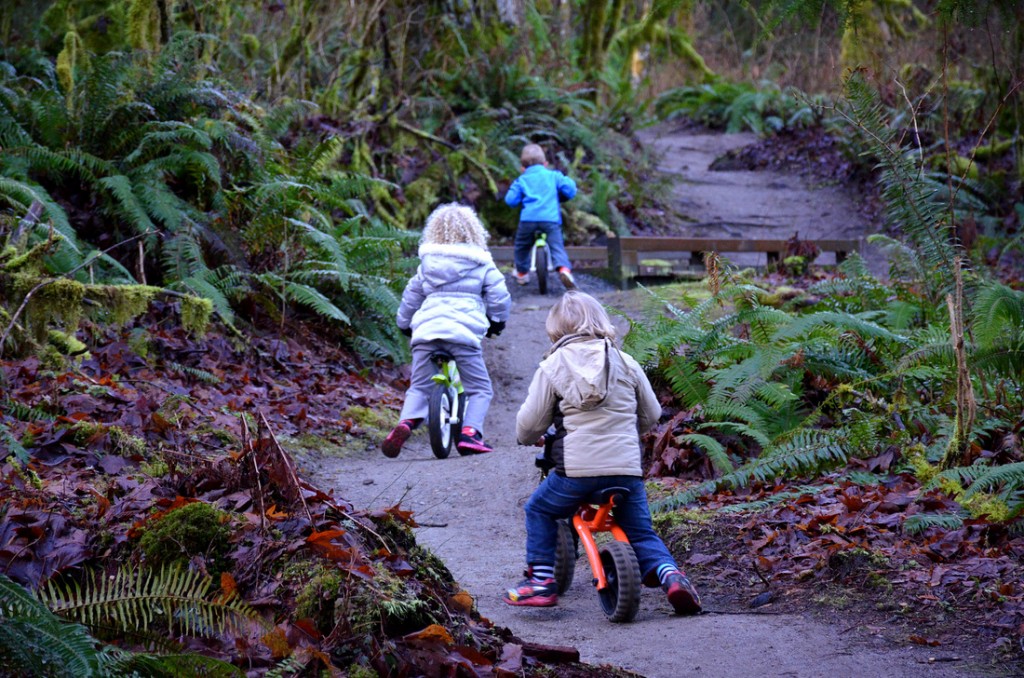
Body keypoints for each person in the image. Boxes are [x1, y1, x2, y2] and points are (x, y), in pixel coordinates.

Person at [503, 291, 702, 614]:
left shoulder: (552, 366)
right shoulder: (626, 362)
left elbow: (529, 424)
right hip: (625, 472)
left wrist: (527, 437)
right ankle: (672, 576)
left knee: (539, 509)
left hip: (576, 474)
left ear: (555, 330)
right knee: (640, 531)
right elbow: (651, 414)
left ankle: (540, 580)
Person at [382, 203, 511, 457]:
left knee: (419, 387)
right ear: (475, 231)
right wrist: (497, 322)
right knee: (480, 388)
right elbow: (499, 297)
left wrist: (404, 323)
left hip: (426, 332)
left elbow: (411, 296)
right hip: (463, 335)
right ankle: (470, 433)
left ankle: (405, 422)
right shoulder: (482, 263)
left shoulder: (427, 264)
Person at [504, 143, 577, 290]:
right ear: (545, 164)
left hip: (528, 220)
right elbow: (570, 190)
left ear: (522, 168)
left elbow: (510, 200)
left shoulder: (522, 179)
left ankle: (522, 273)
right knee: (557, 246)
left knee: (522, 247)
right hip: (550, 219)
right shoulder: (553, 176)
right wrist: (561, 196)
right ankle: (564, 270)